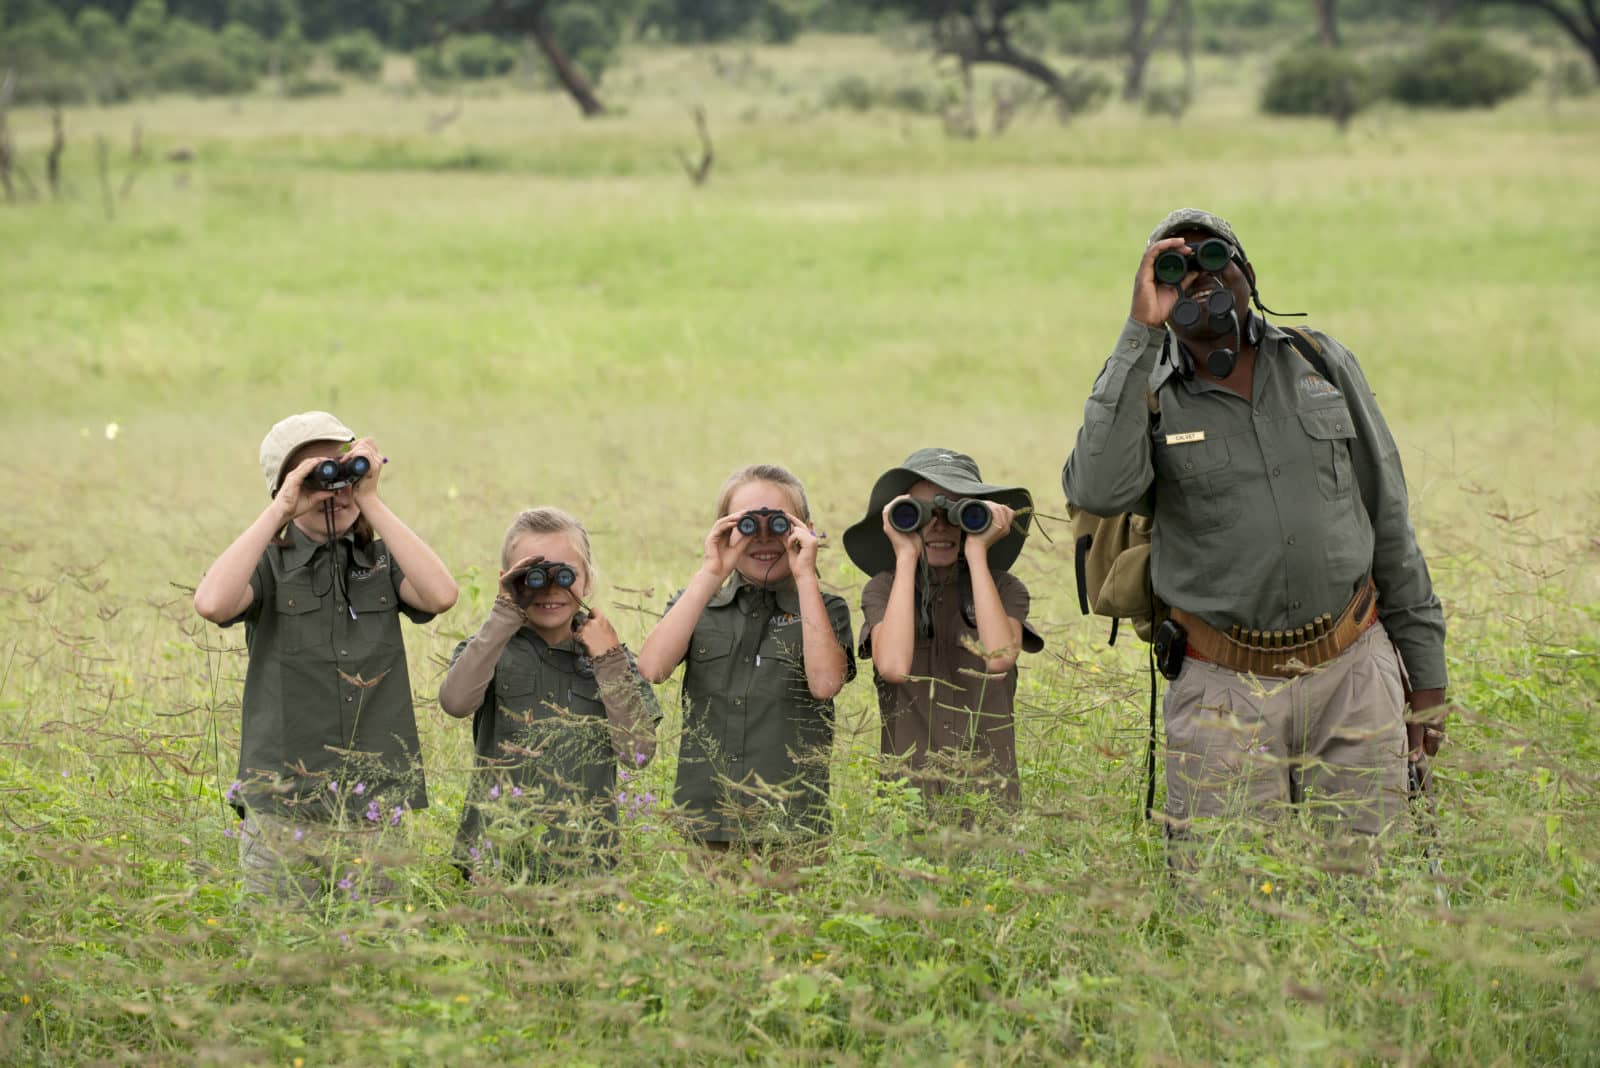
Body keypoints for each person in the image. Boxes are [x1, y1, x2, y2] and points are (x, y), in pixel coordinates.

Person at [1061, 208, 1448, 861]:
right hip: (1221, 684)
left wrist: (1426, 673)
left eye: (1218, 258)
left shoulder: (1320, 362)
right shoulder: (1149, 393)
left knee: (1370, 890)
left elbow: (1388, 517)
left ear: (1248, 272)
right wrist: (1138, 333)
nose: (1203, 281)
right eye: (1177, 269)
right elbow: (1096, 490)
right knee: (1226, 904)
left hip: (1354, 668)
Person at [194, 411, 458, 904]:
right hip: (282, 802)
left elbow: (441, 595)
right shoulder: (268, 565)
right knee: (282, 949)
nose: (331, 490)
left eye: (343, 470)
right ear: (286, 487)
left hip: (373, 800)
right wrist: (283, 509)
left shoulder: (379, 560)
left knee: (374, 947)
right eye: (316, 475)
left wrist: (371, 500)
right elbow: (212, 603)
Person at [637, 464, 855, 851]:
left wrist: (806, 575)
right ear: (724, 528)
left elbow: (825, 683)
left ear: (805, 529)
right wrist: (712, 570)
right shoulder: (699, 604)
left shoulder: (825, 609)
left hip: (792, 825)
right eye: (749, 524)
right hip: (706, 820)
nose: (764, 538)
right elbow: (653, 668)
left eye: (780, 524)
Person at [439, 507, 660, 879]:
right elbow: (455, 702)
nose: (549, 588)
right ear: (507, 580)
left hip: (587, 862)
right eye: (532, 575)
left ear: (587, 581)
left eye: (566, 574)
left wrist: (607, 658)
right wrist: (505, 613)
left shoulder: (612, 659)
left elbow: (638, 753)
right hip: (497, 857)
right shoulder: (490, 649)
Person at [842, 448, 1043, 809]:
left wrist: (979, 553)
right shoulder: (884, 590)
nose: (939, 525)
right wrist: (905, 555)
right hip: (908, 800)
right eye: (919, 513)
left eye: (957, 512)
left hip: (988, 800)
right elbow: (893, 667)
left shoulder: (1004, 589)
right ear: (899, 518)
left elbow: (998, 658)